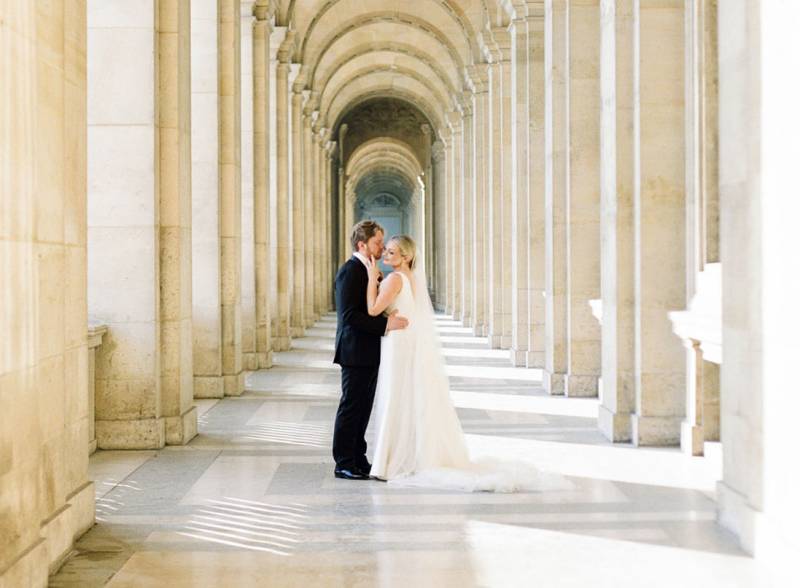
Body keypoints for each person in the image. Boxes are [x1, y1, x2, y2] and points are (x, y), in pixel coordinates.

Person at [365, 235, 563, 492]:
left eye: (392, 252)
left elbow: (372, 310)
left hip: (398, 342)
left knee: (396, 396)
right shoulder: (411, 279)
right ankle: (407, 455)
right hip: (406, 339)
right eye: (387, 251)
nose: (386, 255)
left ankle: (391, 462)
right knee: (407, 396)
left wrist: (371, 280)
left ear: (407, 257)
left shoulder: (393, 278)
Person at [331, 220, 409, 480]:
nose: (382, 247)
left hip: (369, 349)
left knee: (364, 407)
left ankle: (358, 457)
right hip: (354, 350)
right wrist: (387, 323)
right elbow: (350, 315)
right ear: (362, 244)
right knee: (352, 406)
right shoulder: (350, 271)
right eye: (377, 242)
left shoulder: (371, 270)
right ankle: (343, 461)